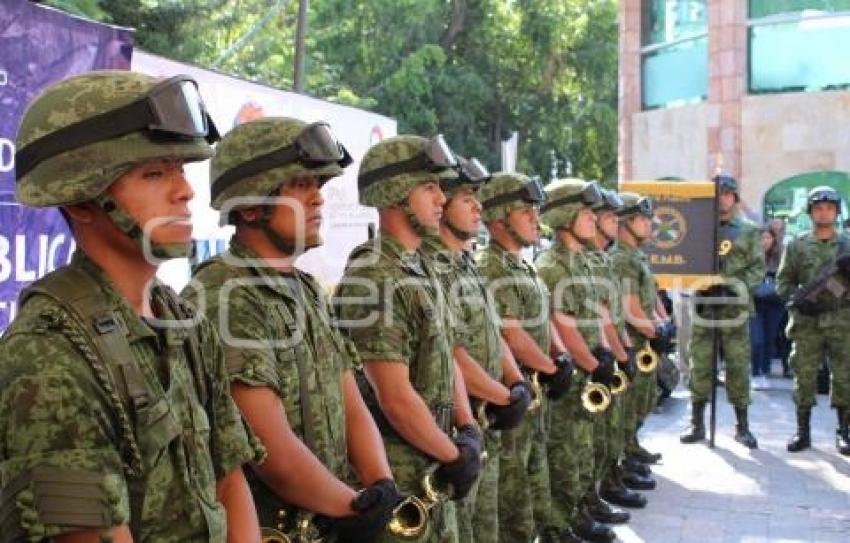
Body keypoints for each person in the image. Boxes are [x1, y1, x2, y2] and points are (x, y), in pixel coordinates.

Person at [0, 71, 263, 542]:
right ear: (83, 201)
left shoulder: (182, 320)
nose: (185, 191)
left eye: (180, 168)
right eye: (154, 173)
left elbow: (229, 479)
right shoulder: (48, 357)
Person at [184, 117, 403, 542]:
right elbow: (272, 451)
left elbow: (350, 399)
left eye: (318, 185)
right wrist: (352, 506)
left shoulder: (306, 290)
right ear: (250, 205)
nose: (318, 198)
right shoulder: (225, 295)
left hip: (333, 519)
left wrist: (380, 486)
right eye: (301, 185)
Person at [334, 135, 483, 542]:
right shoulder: (374, 275)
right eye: (428, 187)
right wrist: (454, 454)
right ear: (395, 195)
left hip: (434, 460)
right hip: (401, 476)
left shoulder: (420, 267)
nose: (441, 198)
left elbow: (447, 352)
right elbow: (394, 397)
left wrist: (466, 427)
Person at [418, 157, 532, 543]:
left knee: (487, 523)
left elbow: (493, 332)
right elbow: (454, 354)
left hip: (485, 420)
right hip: (456, 428)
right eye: (466, 198)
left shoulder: (466, 264)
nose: (477, 206)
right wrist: (503, 395)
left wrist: (514, 383)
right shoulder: (432, 267)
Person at [476, 173, 572, 543]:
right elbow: (509, 333)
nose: (536, 218)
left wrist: (559, 358)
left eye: (535, 211)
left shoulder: (523, 264)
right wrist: (550, 367)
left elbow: (543, 321)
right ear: (499, 219)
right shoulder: (492, 266)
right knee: (511, 491)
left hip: (535, 392)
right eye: (526, 211)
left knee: (534, 474)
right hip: (514, 393)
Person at [535, 178, 620, 543]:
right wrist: (591, 362)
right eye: (586, 213)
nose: (594, 219)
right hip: (570, 377)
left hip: (587, 372)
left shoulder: (580, 262)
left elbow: (595, 315)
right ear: (566, 215)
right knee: (563, 456)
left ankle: (575, 514)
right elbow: (563, 327)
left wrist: (603, 351)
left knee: (582, 453)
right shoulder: (552, 266)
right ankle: (556, 527)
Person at [680, 175, 764, 449]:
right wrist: (698, 285)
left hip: (734, 309)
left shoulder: (748, 231)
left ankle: (743, 426)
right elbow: (685, 264)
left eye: (728, 194)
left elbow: (757, 269)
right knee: (700, 363)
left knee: (738, 366)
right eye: (718, 194)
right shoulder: (698, 230)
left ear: (735, 198)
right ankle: (696, 423)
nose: (723, 199)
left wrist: (734, 289)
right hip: (704, 307)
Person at [776, 186, 850, 455]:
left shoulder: (846, 245)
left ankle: (844, 432)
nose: (824, 212)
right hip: (807, 323)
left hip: (842, 322)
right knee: (803, 376)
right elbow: (783, 282)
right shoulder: (796, 245)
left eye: (829, 208)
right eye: (818, 208)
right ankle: (803, 432)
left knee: (844, 376)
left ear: (836, 212)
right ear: (810, 213)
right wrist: (798, 301)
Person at [610, 193, 670, 484]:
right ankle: (623, 459)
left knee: (644, 399)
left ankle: (632, 446)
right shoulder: (621, 259)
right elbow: (629, 308)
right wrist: (654, 331)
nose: (649, 225)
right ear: (625, 221)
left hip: (645, 341)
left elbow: (653, 297)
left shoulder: (637, 256)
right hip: (632, 343)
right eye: (642, 219)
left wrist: (663, 323)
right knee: (628, 404)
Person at [749, 226, 785, 390]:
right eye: (761, 238)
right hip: (754, 303)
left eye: (768, 238)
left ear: (774, 240)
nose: (765, 241)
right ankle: (755, 372)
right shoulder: (750, 257)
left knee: (770, 338)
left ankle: (764, 370)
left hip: (776, 303)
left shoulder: (782, 256)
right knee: (757, 339)